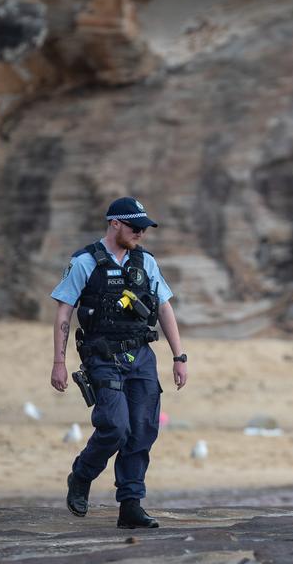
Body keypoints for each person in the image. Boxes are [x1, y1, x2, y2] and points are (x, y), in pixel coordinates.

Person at [49, 196, 188, 529]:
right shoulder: (85, 261)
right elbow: (64, 312)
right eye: (135, 227)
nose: (141, 233)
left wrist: (179, 357)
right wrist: (58, 362)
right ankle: (81, 476)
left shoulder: (146, 263)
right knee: (115, 426)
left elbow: (165, 308)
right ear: (115, 224)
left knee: (142, 430)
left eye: (144, 228)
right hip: (102, 355)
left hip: (140, 355)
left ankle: (130, 506)